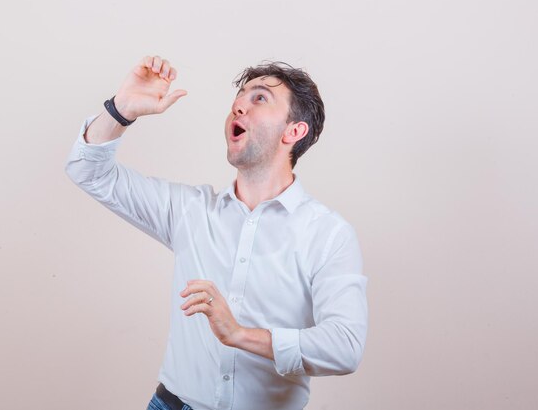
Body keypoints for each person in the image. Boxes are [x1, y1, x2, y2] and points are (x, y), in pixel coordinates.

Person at [65, 55, 368, 410]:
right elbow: (88, 172)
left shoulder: (328, 233)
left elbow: (345, 347)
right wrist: (121, 110)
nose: (239, 107)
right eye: (238, 99)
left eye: (259, 99)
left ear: (294, 131)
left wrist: (240, 335)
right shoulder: (190, 211)